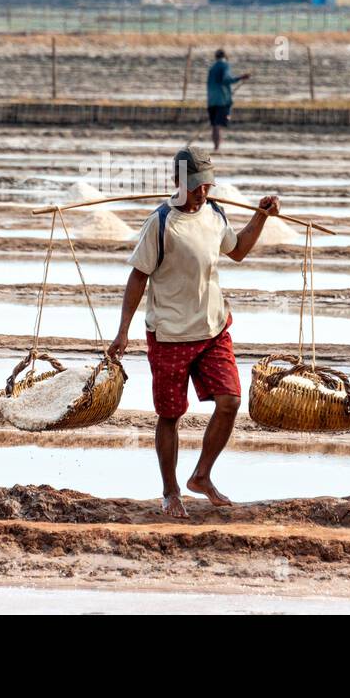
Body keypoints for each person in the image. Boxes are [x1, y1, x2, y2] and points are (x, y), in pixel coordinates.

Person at [108, 146, 280, 518]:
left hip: (213, 328)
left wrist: (261, 217)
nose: (203, 192)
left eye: (207, 185)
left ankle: (201, 475)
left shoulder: (215, 214)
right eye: (196, 186)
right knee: (170, 415)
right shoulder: (161, 222)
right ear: (178, 183)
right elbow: (138, 277)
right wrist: (122, 331)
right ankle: (170, 492)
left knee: (231, 401)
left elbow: (237, 251)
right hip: (169, 333)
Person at [206, 49, 250, 152]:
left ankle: (216, 146)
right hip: (222, 100)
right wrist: (241, 77)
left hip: (211, 99)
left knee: (214, 125)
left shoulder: (212, 68)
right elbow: (226, 80)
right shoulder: (224, 65)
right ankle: (217, 147)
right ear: (225, 57)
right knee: (218, 124)